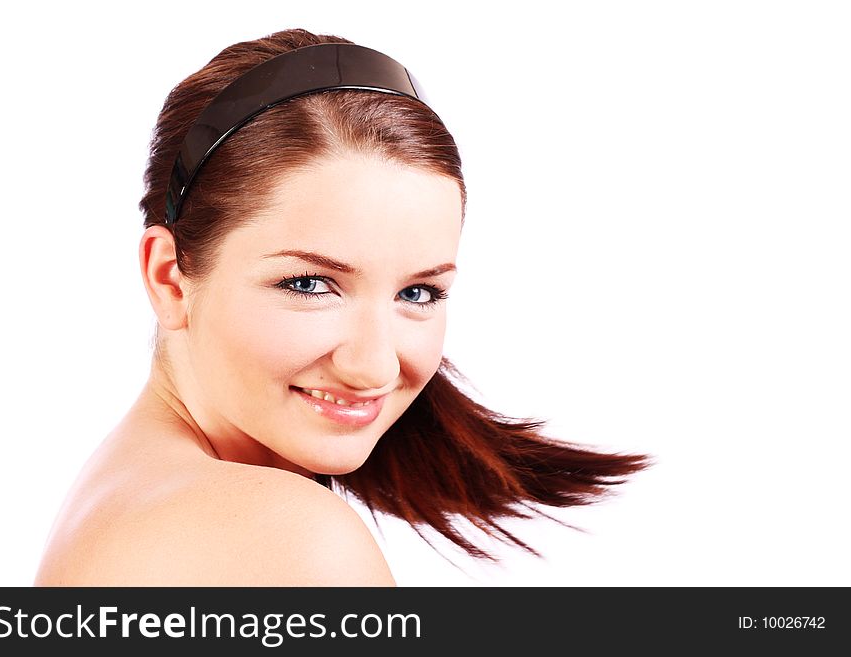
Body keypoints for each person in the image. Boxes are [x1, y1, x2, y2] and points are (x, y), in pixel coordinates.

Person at [34, 28, 649, 586]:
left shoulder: (124, 493)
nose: (375, 367)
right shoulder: (283, 537)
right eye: (309, 284)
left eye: (418, 293)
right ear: (170, 278)